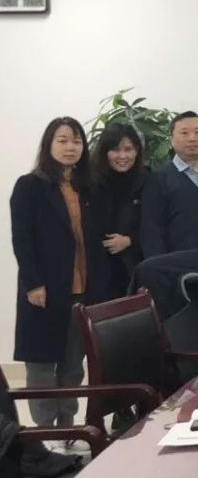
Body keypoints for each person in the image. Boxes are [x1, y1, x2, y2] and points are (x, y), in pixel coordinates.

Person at [11, 118, 109, 433]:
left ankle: (67, 428)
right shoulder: (30, 186)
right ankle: (44, 432)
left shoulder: (89, 187)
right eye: (63, 140)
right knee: (41, 364)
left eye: (77, 141)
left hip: (82, 288)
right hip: (45, 289)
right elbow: (22, 239)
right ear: (49, 145)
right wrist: (33, 284)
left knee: (72, 365)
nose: (70, 147)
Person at [141, 111, 198, 257]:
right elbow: (151, 229)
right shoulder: (158, 177)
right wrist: (159, 265)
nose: (192, 138)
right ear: (171, 140)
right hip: (173, 262)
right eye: (184, 133)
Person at [90, 123, 149, 299]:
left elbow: (156, 225)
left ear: (137, 151)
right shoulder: (89, 182)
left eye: (128, 149)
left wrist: (130, 240)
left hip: (135, 268)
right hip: (97, 269)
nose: (122, 156)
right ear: (104, 152)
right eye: (115, 150)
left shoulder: (148, 179)